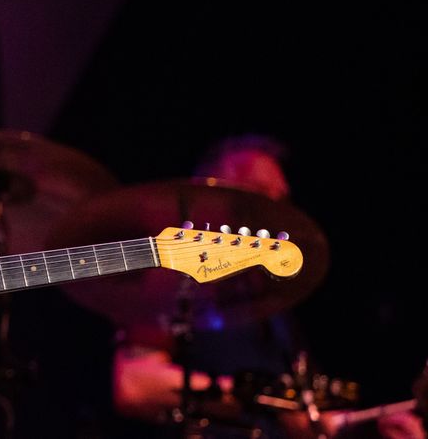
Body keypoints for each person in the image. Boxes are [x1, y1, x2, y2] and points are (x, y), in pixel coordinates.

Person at [112, 134, 424, 439]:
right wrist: (257, 398)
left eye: (281, 201)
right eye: (259, 195)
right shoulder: (177, 278)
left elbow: (300, 421)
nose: (276, 215)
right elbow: (135, 385)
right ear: (209, 198)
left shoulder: (275, 311)